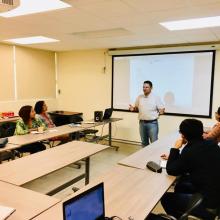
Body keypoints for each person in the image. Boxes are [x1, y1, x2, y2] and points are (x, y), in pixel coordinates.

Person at [152, 119, 220, 220]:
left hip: (209, 204)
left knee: (166, 198)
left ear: (183, 135)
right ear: (201, 132)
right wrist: (175, 156)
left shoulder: (189, 151)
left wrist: (175, 148)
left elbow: (171, 170)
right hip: (216, 194)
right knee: (181, 185)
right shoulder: (211, 144)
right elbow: (193, 160)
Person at [129, 80, 165, 147]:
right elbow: (136, 108)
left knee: (154, 143)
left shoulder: (155, 97)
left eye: (146, 87)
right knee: (144, 143)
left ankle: (154, 157)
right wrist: (133, 109)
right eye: (143, 87)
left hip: (152, 124)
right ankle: (145, 157)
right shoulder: (139, 97)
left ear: (151, 88)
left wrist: (161, 111)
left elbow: (162, 109)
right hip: (142, 123)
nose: (144, 89)